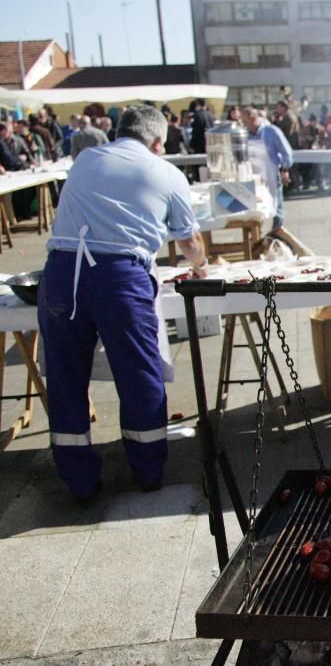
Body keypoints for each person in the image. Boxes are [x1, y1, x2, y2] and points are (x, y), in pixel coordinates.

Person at [38, 105, 209, 500]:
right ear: (157, 141)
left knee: (66, 379)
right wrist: (201, 265)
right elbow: (188, 243)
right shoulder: (166, 172)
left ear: (118, 132)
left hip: (62, 274)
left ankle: (78, 481)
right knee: (138, 375)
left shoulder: (84, 158)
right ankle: (147, 470)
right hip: (119, 278)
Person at [240, 107, 310, 255]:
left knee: (276, 214)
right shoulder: (245, 135)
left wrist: (285, 170)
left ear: (253, 119)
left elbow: (286, 152)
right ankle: (261, 247)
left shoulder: (271, 131)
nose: (243, 124)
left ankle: (283, 247)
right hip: (253, 181)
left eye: (245, 121)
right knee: (256, 215)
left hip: (271, 177)